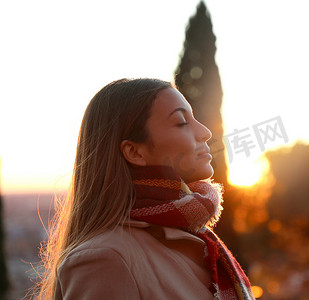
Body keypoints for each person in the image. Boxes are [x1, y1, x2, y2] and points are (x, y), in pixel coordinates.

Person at [36, 78, 255, 300]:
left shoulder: (196, 237)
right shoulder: (105, 260)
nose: (205, 132)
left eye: (194, 118)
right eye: (182, 122)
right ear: (134, 152)